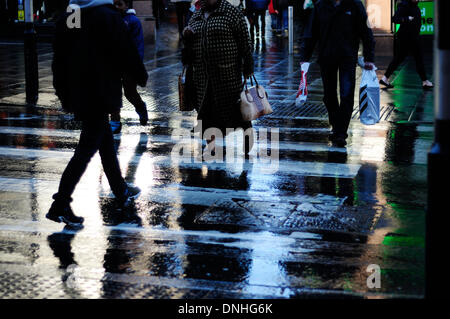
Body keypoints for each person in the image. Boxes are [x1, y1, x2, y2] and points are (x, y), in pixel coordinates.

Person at [48, 0, 148, 227]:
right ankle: (60, 204)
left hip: (80, 94)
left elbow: (59, 61)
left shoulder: (69, 17)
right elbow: (126, 50)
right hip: (101, 93)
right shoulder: (106, 16)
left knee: (105, 144)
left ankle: (120, 190)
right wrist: (140, 75)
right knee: (85, 151)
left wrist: (64, 94)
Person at [300, 0, 375, 147]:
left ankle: (341, 132)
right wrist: (304, 57)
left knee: (347, 94)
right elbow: (311, 33)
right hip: (326, 57)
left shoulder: (354, 5)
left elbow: (366, 32)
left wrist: (369, 58)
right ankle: (336, 125)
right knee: (329, 96)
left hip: (347, 57)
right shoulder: (321, 5)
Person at [183, 0, 255, 155]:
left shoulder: (231, 13)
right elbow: (189, 47)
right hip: (202, 76)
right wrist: (187, 35)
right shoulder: (196, 15)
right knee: (206, 113)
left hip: (227, 76)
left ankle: (247, 132)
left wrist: (248, 68)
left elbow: (245, 42)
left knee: (235, 111)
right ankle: (212, 148)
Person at [109, 0, 148, 134]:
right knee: (113, 92)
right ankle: (115, 120)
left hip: (129, 64)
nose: (117, 7)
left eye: (120, 4)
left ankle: (141, 107)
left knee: (130, 93)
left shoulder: (133, 21)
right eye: (115, 4)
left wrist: (137, 64)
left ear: (127, 6)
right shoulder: (109, 18)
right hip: (113, 63)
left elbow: (139, 46)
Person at [380, 0, 433, 90]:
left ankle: (385, 78)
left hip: (411, 37)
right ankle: (425, 81)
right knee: (417, 58)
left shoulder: (414, 6)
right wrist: (406, 19)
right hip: (406, 38)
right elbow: (395, 19)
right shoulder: (404, 5)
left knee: (400, 58)